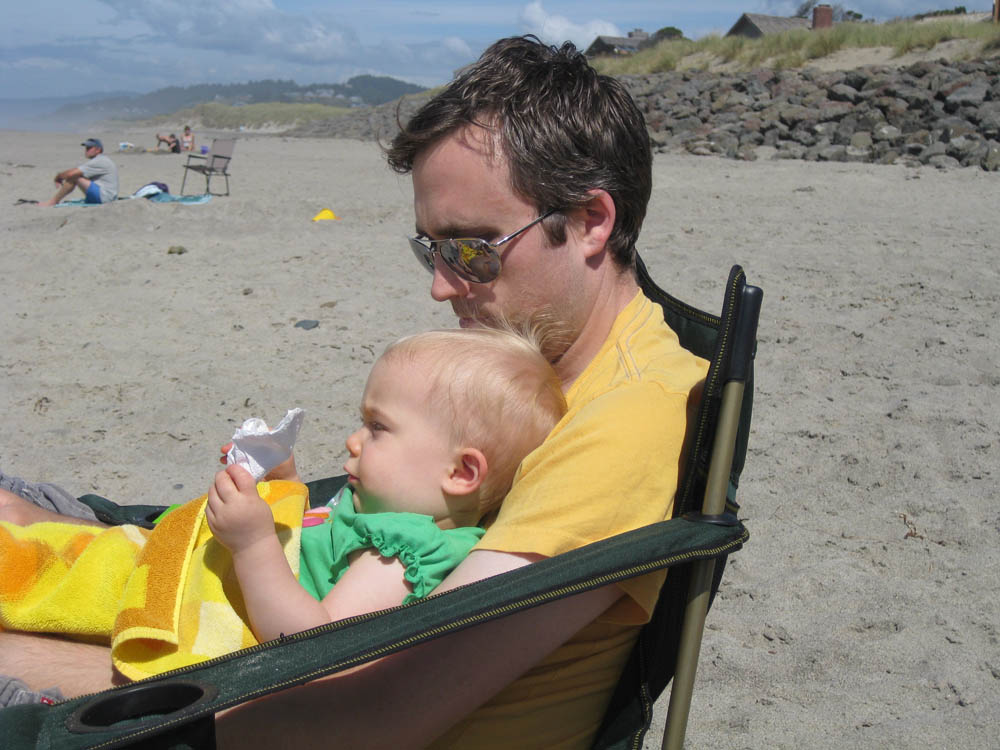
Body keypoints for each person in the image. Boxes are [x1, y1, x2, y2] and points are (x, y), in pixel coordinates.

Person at [0, 36, 709, 749]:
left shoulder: (626, 420)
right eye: (430, 250)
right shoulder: (556, 365)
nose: (441, 287)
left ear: (590, 221)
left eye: (471, 250)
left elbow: (368, 712)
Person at [206, 327, 566, 643]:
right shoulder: (380, 505)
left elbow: (315, 645)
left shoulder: (403, 556)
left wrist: (253, 544)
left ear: (460, 472)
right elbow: (321, 547)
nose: (353, 441)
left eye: (377, 427)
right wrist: (287, 483)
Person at [37, 138, 119, 207]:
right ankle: (54, 201)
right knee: (77, 176)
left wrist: (58, 177)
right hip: (106, 196)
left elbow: (71, 174)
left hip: (104, 198)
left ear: (98, 150)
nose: (86, 150)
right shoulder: (100, 160)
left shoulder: (100, 161)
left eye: (89, 148)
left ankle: (53, 202)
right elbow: (76, 171)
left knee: (74, 177)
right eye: (86, 148)